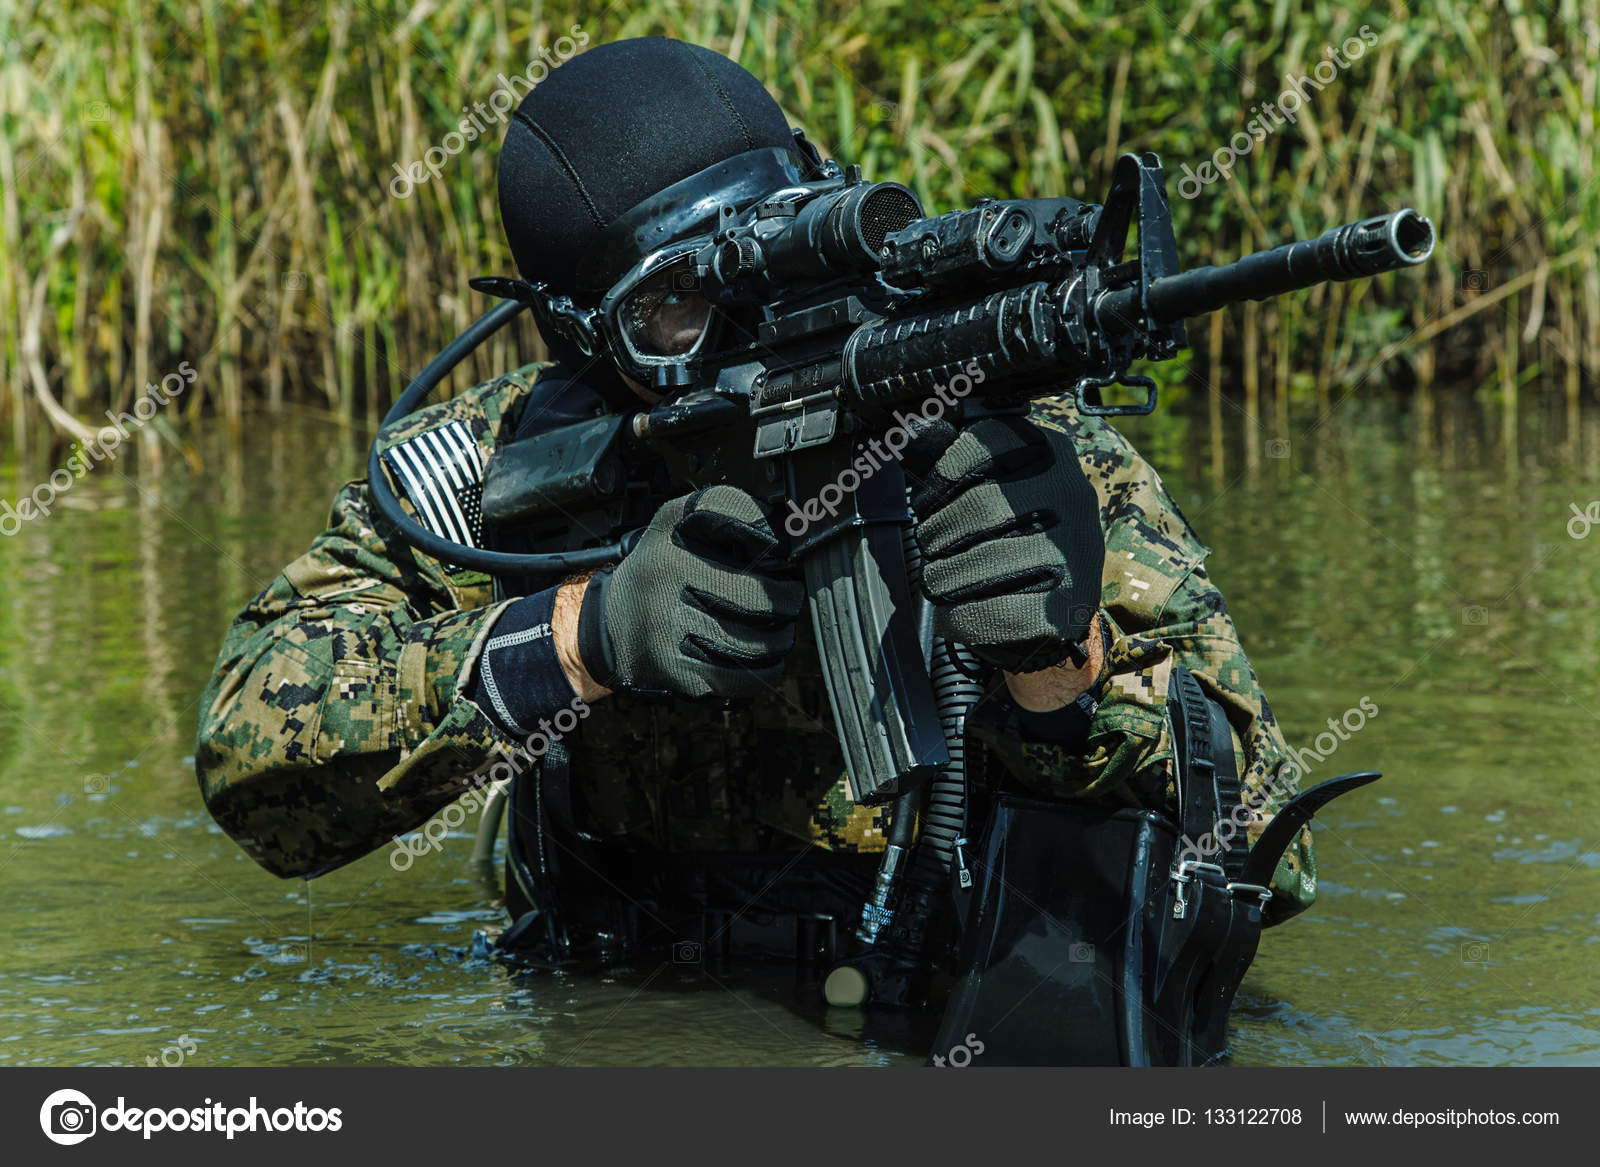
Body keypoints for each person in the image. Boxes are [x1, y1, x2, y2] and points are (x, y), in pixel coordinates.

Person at [194, 36, 1317, 1034]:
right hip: (612, 1009)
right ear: (578, 333)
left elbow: (1272, 859)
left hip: (959, 1006)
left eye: (778, 246)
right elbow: (254, 770)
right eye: (678, 306)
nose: (755, 317)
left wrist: (1059, 674)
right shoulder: (500, 475)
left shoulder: (1005, 439)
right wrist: (579, 639)